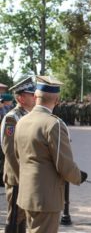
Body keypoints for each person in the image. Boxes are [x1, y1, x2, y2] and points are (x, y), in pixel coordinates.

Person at [13, 75, 87, 233]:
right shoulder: (54, 123)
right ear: (57, 99)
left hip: (27, 193)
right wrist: (78, 177)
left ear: (35, 96)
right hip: (47, 197)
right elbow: (64, 164)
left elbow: (17, 156)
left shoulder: (21, 121)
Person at [0, 77, 36, 233]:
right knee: (15, 216)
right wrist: (22, 178)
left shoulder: (28, 115)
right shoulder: (12, 118)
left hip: (25, 175)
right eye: (31, 94)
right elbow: (9, 151)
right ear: (21, 97)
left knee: (22, 216)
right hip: (17, 176)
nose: (35, 97)